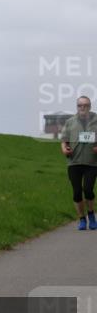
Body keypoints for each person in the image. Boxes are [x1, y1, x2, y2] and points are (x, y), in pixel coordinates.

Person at [60, 96, 97, 230]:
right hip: (74, 162)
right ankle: (82, 219)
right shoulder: (70, 122)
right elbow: (64, 140)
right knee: (76, 192)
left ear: (90, 106)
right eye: (80, 105)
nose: (83, 108)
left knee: (88, 189)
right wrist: (65, 150)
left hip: (92, 163)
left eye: (85, 105)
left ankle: (91, 215)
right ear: (77, 107)